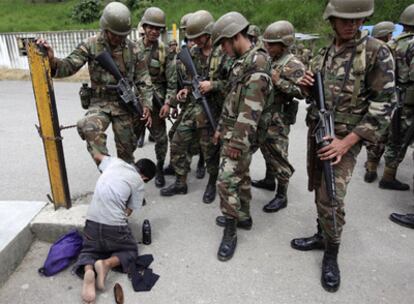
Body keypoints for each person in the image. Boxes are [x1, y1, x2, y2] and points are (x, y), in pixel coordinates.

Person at [292, 0, 394, 292]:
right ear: (332, 20)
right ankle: (321, 234)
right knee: (318, 186)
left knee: (332, 196)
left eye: (358, 20)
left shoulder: (376, 51)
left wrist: (346, 143)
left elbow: (384, 105)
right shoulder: (324, 53)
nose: (353, 25)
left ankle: (331, 252)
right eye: (345, 20)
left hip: (346, 139)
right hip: (319, 131)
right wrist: (306, 85)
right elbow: (311, 95)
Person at [36, 2, 153, 165]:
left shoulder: (134, 49)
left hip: (125, 105)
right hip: (100, 104)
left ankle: (125, 178)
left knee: (127, 155)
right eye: (114, 34)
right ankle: (107, 169)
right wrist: (52, 60)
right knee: (88, 126)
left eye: (122, 35)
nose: (118, 38)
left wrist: (147, 105)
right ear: (105, 28)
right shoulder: (91, 44)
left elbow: (144, 79)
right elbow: (68, 67)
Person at [212, 12, 273, 261]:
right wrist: (220, 128)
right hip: (233, 129)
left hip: (241, 134)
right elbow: (232, 99)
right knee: (242, 175)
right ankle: (244, 216)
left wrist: (236, 141)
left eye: (224, 44)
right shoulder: (243, 60)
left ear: (235, 36)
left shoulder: (257, 63)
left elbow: (251, 108)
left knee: (226, 180)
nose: (223, 50)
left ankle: (231, 230)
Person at [161, 10, 232, 204]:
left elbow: (234, 84)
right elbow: (190, 79)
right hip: (194, 106)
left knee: (209, 149)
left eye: (199, 37)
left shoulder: (224, 53)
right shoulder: (191, 53)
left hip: (213, 109)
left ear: (209, 32)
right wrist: (185, 89)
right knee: (177, 140)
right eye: (192, 38)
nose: (195, 41)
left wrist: (213, 85)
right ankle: (180, 181)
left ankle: (211, 182)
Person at [72, 153, 156, 304]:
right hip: (114, 227)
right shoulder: (138, 182)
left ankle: (89, 270)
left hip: (92, 221)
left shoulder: (114, 162)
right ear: (145, 178)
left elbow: (97, 155)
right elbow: (128, 212)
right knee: (130, 251)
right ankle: (106, 264)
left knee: (89, 250)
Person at [251, 20, 304, 213]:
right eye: (266, 43)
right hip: (264, 114)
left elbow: (302, 92)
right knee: (266, 149)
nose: (267, 47)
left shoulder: (293, 64)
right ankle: (268, 180)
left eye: (271, 44)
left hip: (279, 117)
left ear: (285, 44)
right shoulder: (271, 59)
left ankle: (282, 195)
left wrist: (279, 81)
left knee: (279, 154)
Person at [134, 7, 177, 188]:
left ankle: (159, 169)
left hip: (157, 100)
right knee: (127, 140)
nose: (153, 31)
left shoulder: (164, 51)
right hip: (135, 102)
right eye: (150, 27)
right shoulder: (132, 48)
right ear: (144, 27)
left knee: (161, 139)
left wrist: (168, 103)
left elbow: (172, 82)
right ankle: (128, 172)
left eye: (157, 28)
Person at [378, 4, 414, 190]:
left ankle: (388, 174)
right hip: (409, 100)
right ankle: (388, 177)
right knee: (403, 137)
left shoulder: (392, 43)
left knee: (395, 137)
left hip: (394, 96)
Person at [363, 21, 395, 183]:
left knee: (375, 135)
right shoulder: (384, 49)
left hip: (370, 98)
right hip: (390, 99)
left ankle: (371, 164)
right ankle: (385, 173)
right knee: (385, 135)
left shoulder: (371, 48)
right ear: (387, 34)